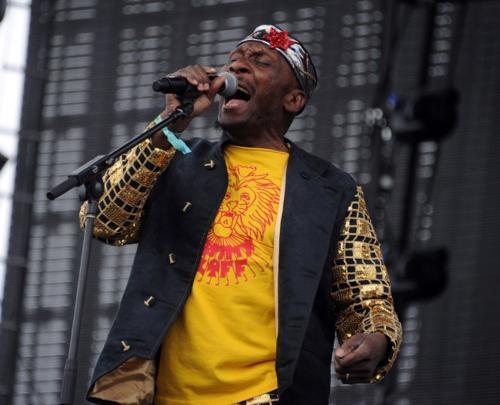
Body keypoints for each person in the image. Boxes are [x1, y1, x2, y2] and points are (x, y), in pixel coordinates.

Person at [82, 24, 402, 405]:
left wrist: (376, 338)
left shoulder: (330, 189)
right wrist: (170, 122)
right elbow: (106, 219)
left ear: (293, 99)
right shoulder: (178, 159)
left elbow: (367, 297)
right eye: (233, 61)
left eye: (259, 61)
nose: (237, 67)